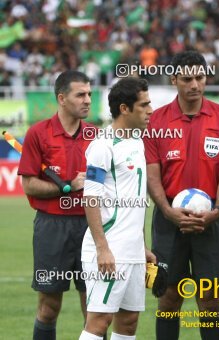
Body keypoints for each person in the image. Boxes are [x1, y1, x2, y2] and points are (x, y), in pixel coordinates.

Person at [144, 51, 219, 340]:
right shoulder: (157, 120)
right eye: (187, 79)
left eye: (200, 77)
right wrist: (167, 210)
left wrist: (218, 210)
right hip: (167, 220)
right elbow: (152, 175)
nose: (195, 85)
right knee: (169, 298)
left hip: (210, 219)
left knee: (210, 302)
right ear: (174, 79)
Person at [17, 70, 94, 340]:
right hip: (52, 227)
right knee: (49, 308)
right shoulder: (38, 133)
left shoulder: (97, 135)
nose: (87, 100)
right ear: (62, 98)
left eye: (89, 94)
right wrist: (67, 186)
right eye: (80, 95)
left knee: (95, 310)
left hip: (91, 227)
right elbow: (29, 185)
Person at [78, 77, 156, 340]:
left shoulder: (138, 141)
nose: (151, 110)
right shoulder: (102, 146)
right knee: (99, 321)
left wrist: (140, 245)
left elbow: (135, 200)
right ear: (124, 109)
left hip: (131, 250)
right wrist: (102, 249)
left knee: (129, 322)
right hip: (109, 250)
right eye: (144, 105)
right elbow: (91, 198)